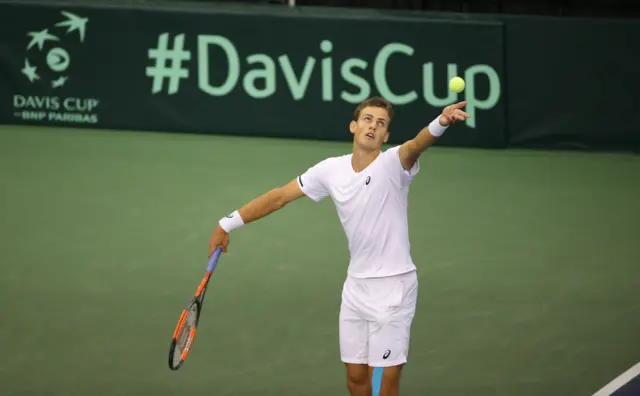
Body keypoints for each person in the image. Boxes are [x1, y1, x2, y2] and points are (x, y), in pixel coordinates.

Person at [208, 97, 470, 396]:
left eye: (381, 123)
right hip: (356, 288)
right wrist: (226, 223)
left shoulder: (393, 164)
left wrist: (441, 123)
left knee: (383, 382)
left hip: (393, 288)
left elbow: (415, 145)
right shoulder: (330, 170)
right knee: (356, 380)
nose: (373, 126)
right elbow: (279, 196)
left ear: (385, 137)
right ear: (354, 126)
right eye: (368, 119)